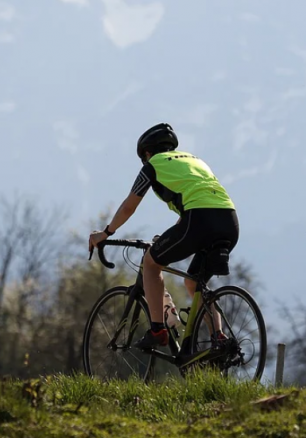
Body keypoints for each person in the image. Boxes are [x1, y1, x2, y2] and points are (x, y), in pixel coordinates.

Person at [88, 123, 239, 350]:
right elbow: (196, 203)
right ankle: (219, 338)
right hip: (230, 221)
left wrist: (106, 232)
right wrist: (169, 237)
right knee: (192, 282)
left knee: (151, 263)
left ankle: (157, 331)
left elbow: (129, 206)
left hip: (199, 220)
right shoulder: (195, 160)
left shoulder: (153, 165)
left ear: (147, 154)